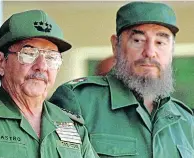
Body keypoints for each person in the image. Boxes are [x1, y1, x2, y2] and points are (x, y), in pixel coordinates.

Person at [50, 2, 194, 158]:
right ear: (115, 45)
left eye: (160, 42)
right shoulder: (79, 101)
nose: (150, 52)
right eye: (138, 40)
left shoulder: (186, 120)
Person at [0, 10, 98, 158]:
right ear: (1, 62)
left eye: (51, 57)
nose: (41, 66)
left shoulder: (73, 127)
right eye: (29, 53)